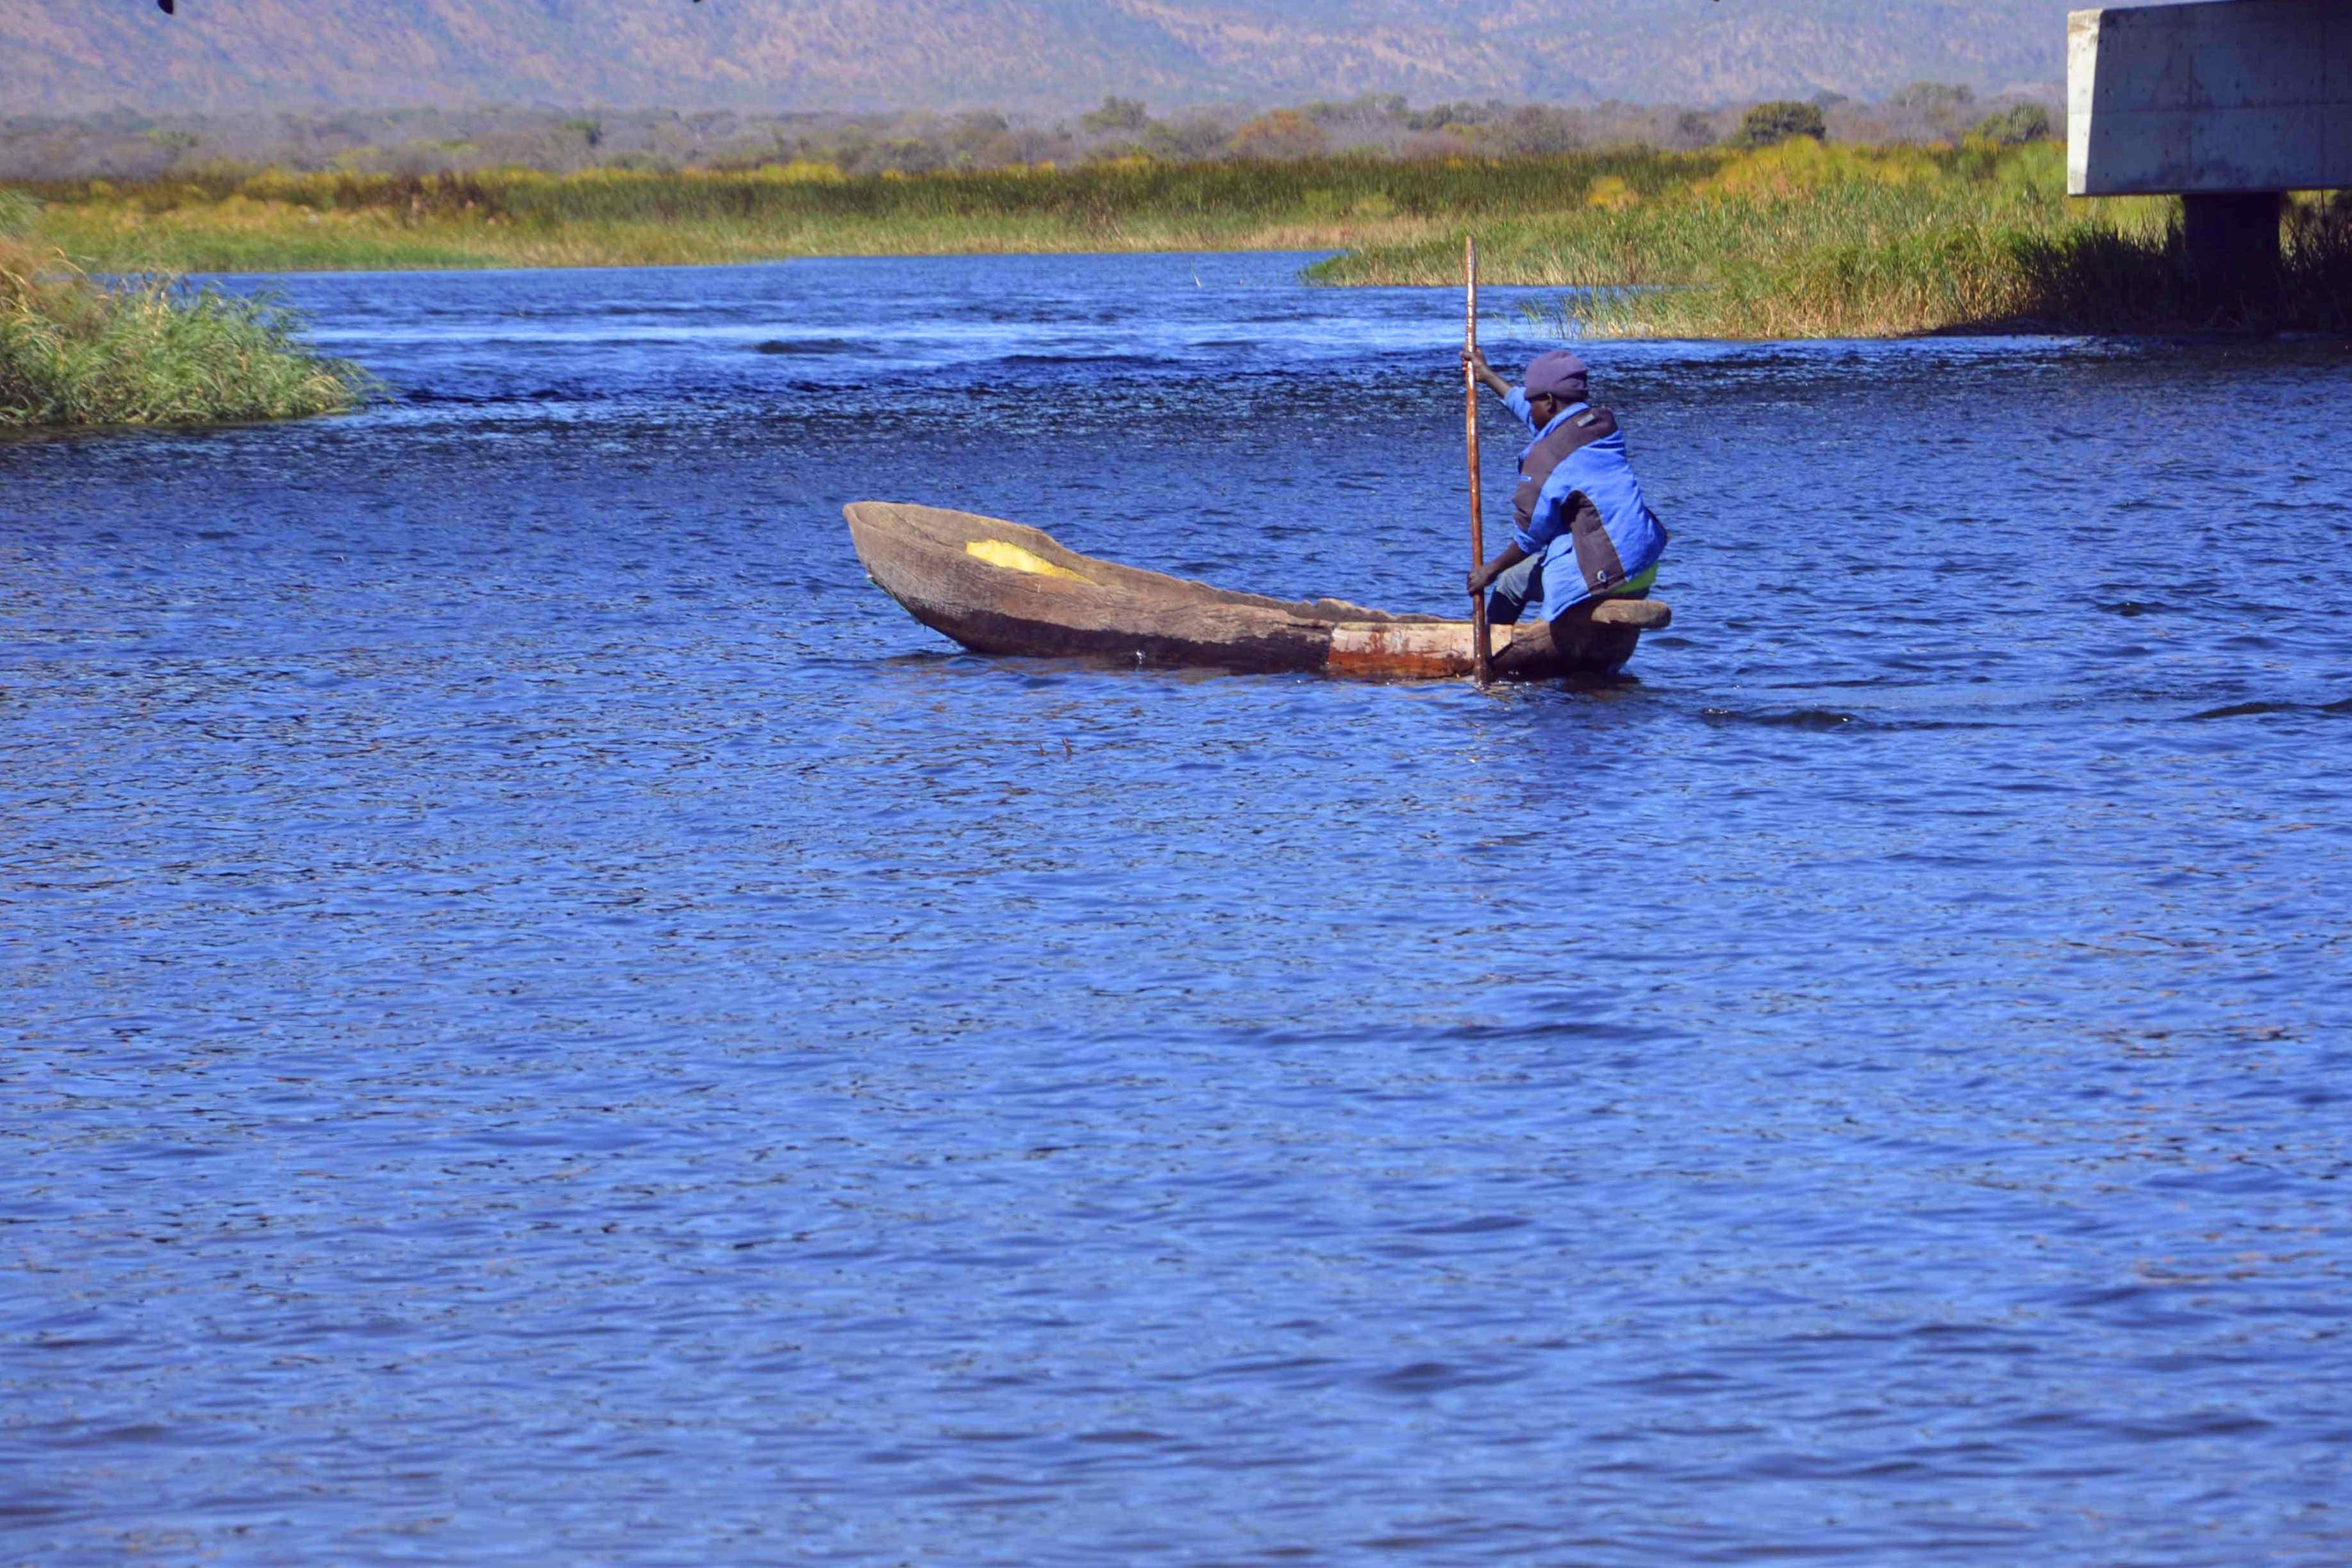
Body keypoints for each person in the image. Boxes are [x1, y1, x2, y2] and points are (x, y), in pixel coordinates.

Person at [1461, 347, 1667, 628]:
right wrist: (1487, 376)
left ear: (1548, 402)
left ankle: (1489, 643)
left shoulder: (1547, 457)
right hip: (1644, 563)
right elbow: (1542, 420)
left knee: (1511, 581)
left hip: (1607, 571)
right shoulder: (1602, 425)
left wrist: (1490, 570)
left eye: (1532, 400)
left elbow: (1530, 535)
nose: (1528, 406)